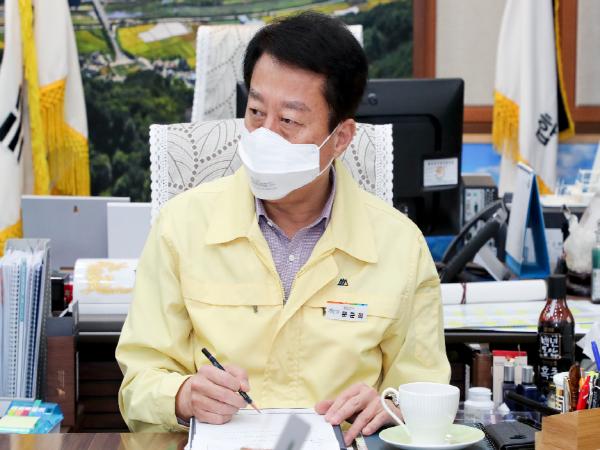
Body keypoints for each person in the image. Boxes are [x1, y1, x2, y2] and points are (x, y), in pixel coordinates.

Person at [116, 11, 450, 445]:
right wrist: (181, 396)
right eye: (256, 112)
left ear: (341, 138)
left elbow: (424, 388)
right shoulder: (181, 226)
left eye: (289, 121)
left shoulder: (400, 245)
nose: (265, 135)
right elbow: (137, 384)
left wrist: (393, 407)